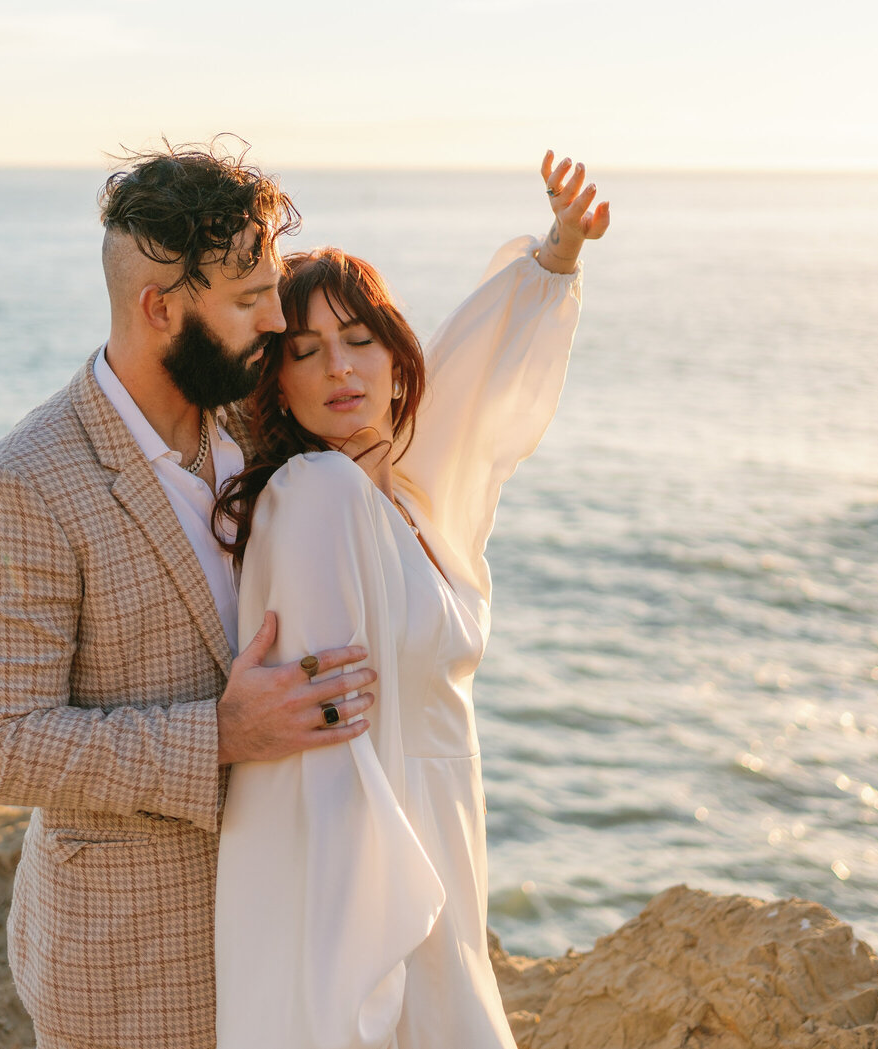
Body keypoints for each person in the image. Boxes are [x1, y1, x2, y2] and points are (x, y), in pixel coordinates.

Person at [0, 141, 382, 1049]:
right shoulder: (19, 485)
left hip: (289, 932)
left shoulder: (256, 422)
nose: (276, 320)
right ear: (160, 308)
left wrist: (549, 268)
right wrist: (224, 733)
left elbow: (403, 400)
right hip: (132, 963)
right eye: (251, 299)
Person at [213, 152, 608, 1048]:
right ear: (277, 382)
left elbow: (475, 379)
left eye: (360, 341)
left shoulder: (412, 499)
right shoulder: (318, 494)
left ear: (398, 358)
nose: (339, 369)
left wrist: (558, 252)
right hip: (367, 890)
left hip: (442, 849)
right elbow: (327, 740)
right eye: (304, 352)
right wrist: (369, 961)